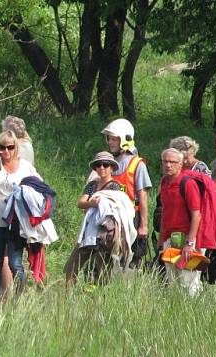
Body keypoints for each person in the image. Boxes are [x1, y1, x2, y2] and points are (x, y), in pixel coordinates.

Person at [0, 129, 40, 298]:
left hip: (16, 222)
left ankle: (19, 299)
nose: (6, 151)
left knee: (15, 263)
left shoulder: (25, 166)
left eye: (10, 147)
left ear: (16, 148)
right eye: (2, 147)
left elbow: (40, 188)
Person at [65, 151, 135, 285]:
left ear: (112, 168)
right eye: (98, 165)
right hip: (88, 233)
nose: (101, 168)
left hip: (104, 234)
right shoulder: (91, 185)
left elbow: (113, 209)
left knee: (101, 271)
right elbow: (81, 202)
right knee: (71, 266)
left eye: (105, 165)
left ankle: (98, 300)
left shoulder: (115, 187)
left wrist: (91, 205)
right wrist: (91, 204)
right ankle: (67, 298)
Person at [101, 118, 152, 267]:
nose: (110, 142)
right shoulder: (106, 163)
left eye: (114, 139)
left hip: (131, 219)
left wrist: (144, 225)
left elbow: (142, 197)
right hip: (109, 218)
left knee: (128, 259)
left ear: (125, 139)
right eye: (109, 139)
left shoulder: (137, 164)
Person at [157, 148, 204, 296]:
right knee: (172, 282)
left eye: (172, 162)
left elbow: (197, 215)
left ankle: (194, 315)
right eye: (165, 161)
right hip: (170, 240)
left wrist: (190, 244)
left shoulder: (188, 184)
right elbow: (165, 211)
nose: (168, 165)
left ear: (181, 164)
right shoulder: (164, 182)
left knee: (189, 282)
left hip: (187, 240)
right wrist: (161, 239)